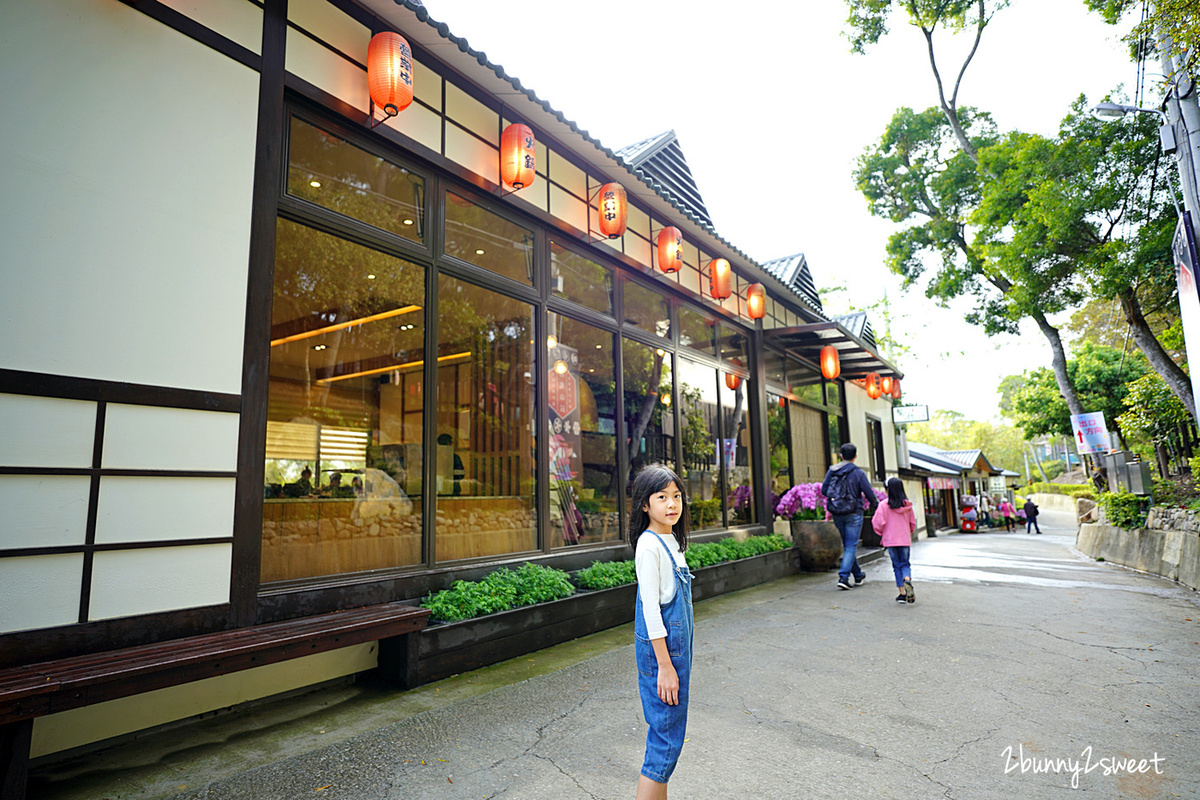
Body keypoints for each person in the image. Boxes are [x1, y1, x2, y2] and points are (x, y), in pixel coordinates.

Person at [629, 464, 693, 800]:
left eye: (676, 496)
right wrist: (666, 667)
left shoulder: (671, 541)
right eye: (662, 497)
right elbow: (651, 612)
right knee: (664, 745)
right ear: (644, 504)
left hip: (675, 655)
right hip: (663, 656)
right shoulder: (649, 545)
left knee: (668, 738)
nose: (672, 504)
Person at [821, 442, 879, 591]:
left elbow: (824, 490)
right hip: (854, 512)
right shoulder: (858, 473)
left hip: (837, 512)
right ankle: (844, 577)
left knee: (849, 545)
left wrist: (836, 498)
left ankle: (858, 575)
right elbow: (869, 492)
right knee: (851, 545)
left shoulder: (832, 471)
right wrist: (877, 506)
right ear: (855, 456)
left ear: (841, 456)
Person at [873, 477, 917, 604]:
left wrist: (882, 533)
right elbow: (912, 523)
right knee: (905, 564)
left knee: (896, 565)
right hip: (904, 539)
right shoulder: (907, 505)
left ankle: (902, 593)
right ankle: (907, 579)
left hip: (890, 540)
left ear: (888, 491)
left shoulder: (883, 505)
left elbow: (877, 523)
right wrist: (907, 532)